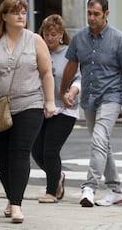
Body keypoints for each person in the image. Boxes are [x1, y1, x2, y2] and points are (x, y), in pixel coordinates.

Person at [0, 0, 55, 223]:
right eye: (16, 12)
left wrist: (49, 101)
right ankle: (11, 197)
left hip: (29, 103)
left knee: (20, 152)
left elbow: (47, 73)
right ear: (4, 17)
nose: (21, 16)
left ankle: (17, 205)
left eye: (24, 12)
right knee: (3, 156)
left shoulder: (35, 40)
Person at [60, 0, 122, 207]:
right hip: (89, 98)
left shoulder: (119, 39)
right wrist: (63, 90)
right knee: (103, 144)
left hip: (111, 96)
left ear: (106, 14)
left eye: (96, 14)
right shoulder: (79, 38)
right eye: (89, 13)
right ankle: (116, 190)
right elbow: (71, 67)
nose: (91, 18)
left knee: (99, 140)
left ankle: (89, 188)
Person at [32, 14, 81, 203]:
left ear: (61, 34)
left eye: (53, 34)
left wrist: (73, 92)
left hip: (64, 108)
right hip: (40, 107)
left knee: (50, 151)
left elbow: (79, 77)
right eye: (46, 34)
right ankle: (57, 176)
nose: (49, 38)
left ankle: (51, 191)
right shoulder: (38, 52)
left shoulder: (70, 53)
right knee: (36, 151)